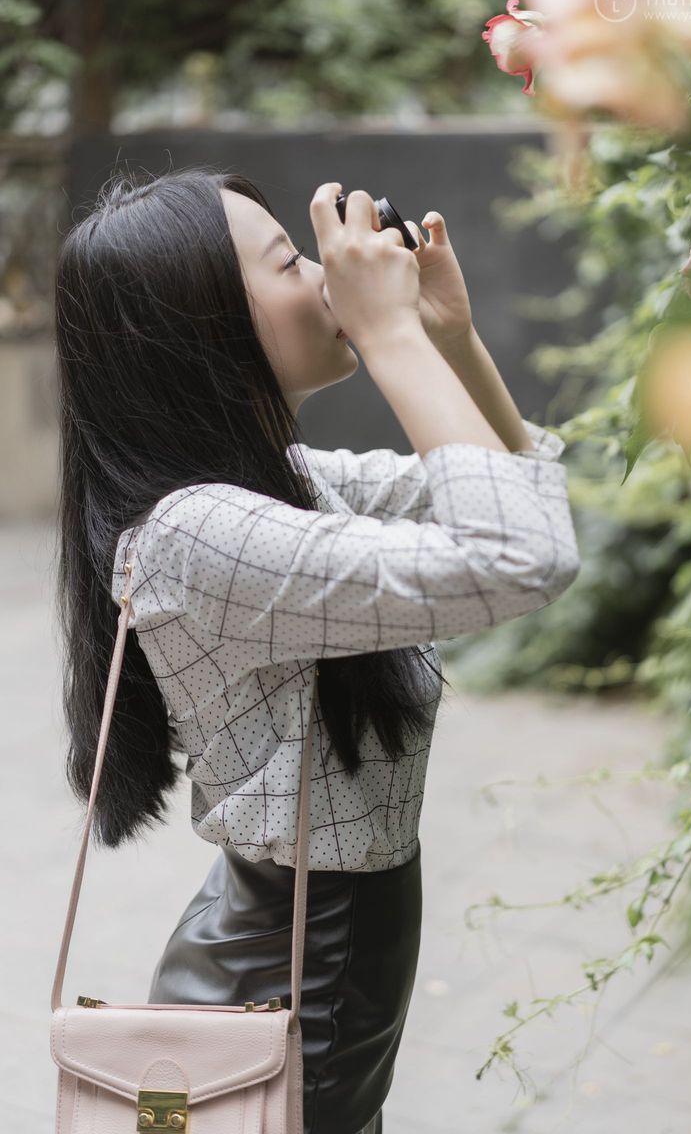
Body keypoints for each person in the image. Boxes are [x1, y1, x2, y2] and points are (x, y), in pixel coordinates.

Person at [53, 166, 581, 1134]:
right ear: (200, 322)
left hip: (312, 965)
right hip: (286, 980)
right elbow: (522, 560)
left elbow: (519, 498)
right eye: (289, 260)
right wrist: (385, 337)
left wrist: (445, 340)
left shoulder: (284, 483)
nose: (325, 272)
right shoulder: (197, 534)